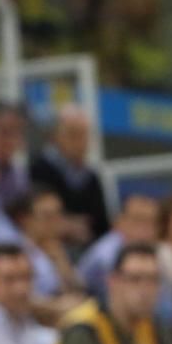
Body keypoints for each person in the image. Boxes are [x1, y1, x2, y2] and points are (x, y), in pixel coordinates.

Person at [28, 104, 109, 246]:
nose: (80, 142)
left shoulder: (91, 177)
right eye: (73, 134)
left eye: (84, 135)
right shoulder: (38, 169)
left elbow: (102, 225)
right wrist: (64, 225)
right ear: (54, 136)